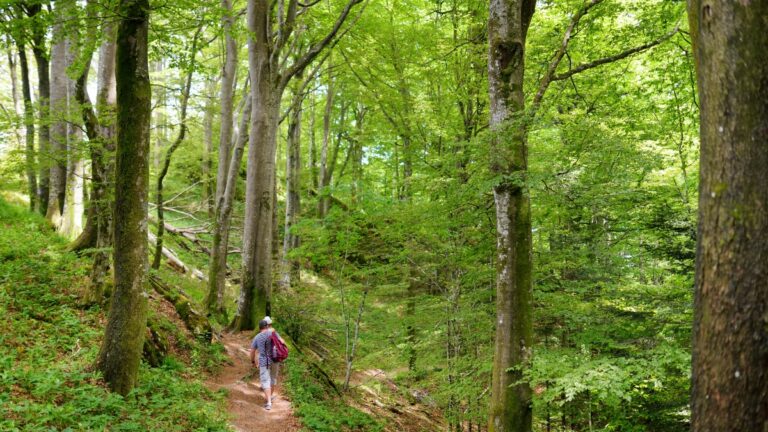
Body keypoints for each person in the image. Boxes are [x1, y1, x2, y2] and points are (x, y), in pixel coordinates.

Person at [250, 320, 275, 410]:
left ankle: (269, 402)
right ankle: (270, 397)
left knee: (265, 381)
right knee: (273, 378)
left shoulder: (257, 337)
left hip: (264, 361)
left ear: (259, 328)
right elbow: (282, 342)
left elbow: (252, 351)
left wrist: (253, 361)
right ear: (267, 326)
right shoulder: (272, 334)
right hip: (275, 360)